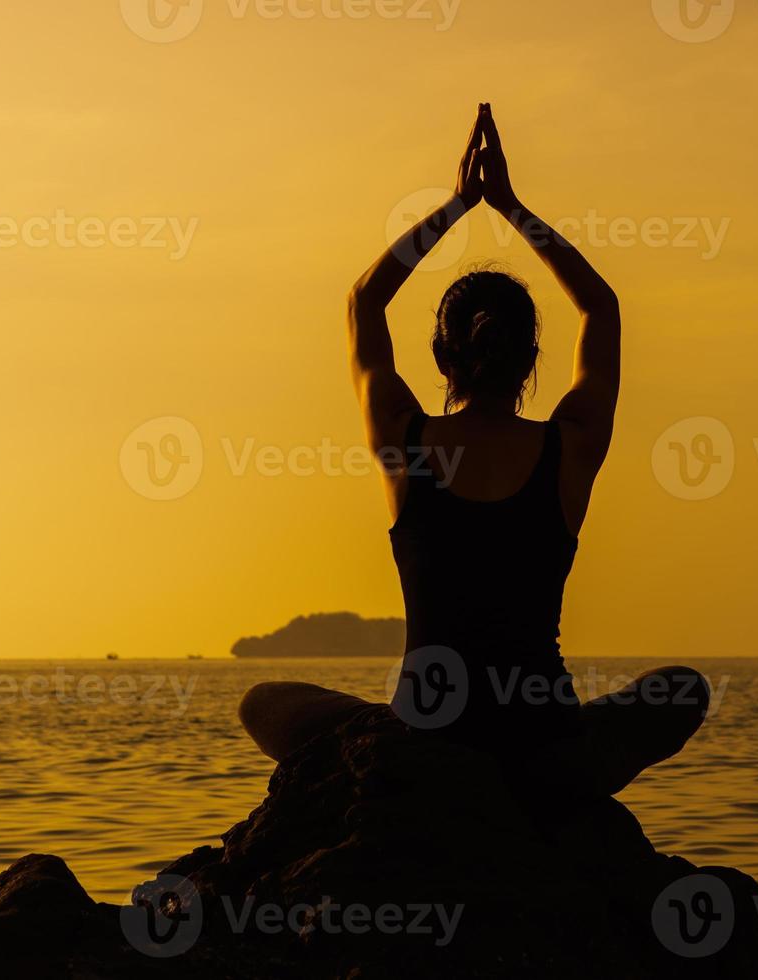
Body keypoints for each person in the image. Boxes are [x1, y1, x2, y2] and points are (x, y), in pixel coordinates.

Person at [239, 104, 709, 797]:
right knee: (684, 690)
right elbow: (601, 308)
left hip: (425, 739)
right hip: (543, 743)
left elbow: (364, 303)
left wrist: (459, 205)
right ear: (530, 359)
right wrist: (513, 209)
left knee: (263, 702)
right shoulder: (571, 445)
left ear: (441, 353)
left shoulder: (404, 437)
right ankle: (559, 790)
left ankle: (394, 757)